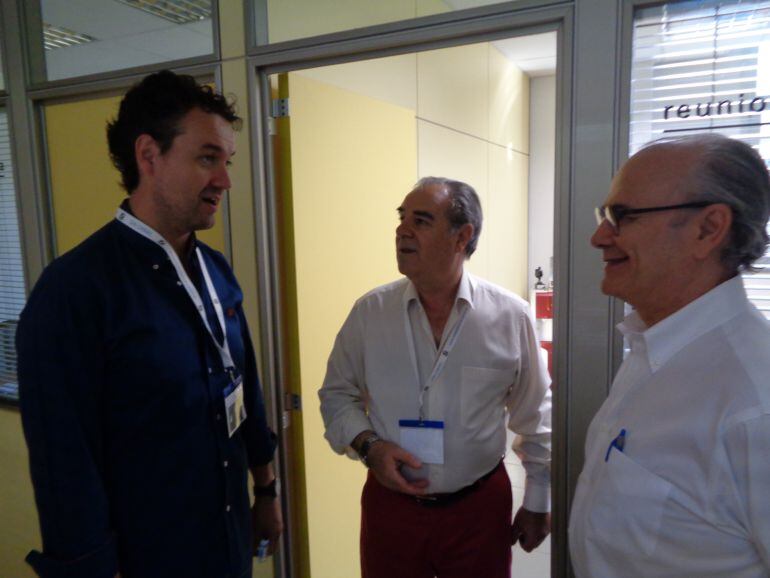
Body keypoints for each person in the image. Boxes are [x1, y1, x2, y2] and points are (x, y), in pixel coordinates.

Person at [16, 70, 282, 578]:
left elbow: (244, 388)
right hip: (149, 557)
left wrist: (265, 490)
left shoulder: (216, 271)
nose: (224, 180)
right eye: (207, 158)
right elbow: (63, 462)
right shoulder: (75, 291)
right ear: (149, 155)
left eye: (226, 161)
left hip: (227, 542)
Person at [319, 177, 552, 578]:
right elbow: (337, 394)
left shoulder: (509, 316)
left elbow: (536, 414)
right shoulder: (370, 313)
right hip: (391, 508)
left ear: (462, 237)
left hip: (477, 508)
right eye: (402, 218)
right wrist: (370, 446)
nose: (402, 230)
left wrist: (538, 500)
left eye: (421, 221)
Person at [569, 133, 770, 577]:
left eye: (623, 216)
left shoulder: (755, 402)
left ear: (708, 229)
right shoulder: (653, 345)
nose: (599, 237)